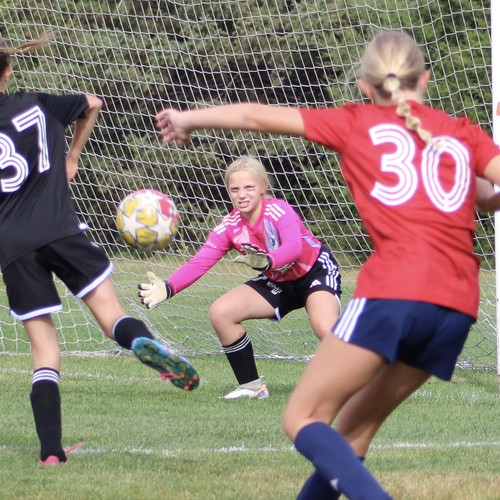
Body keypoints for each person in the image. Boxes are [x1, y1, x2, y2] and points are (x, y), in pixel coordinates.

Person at [153, 30, 500, 498]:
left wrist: (187, 117)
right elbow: (489, 197)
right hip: (457, 305)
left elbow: (256, 115)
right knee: (352, 434)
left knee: (301, 418)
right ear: (425, 79)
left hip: (397, 291)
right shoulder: (462, 133)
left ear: (364, 86)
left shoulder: (356, 121)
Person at [0, 35, 198, 467]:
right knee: (111, 316)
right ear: (8, 72)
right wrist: (72, 156)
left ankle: (51, 453)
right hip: (60, 229)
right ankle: (144, 343)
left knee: (45, 354)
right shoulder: (37, 103)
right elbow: (93, 103)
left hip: (12, 245)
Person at [138, 155, 341, 400]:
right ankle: (252, 387)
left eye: (249, 188)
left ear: (263, 187)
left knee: (324, 327)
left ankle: (362, 377)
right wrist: (169, 287)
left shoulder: (279, 210)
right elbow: (200, 262)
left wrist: (268, 261)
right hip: (278, 281)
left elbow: (293, 248)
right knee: (221, 312)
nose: (241, 195)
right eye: (235, 189)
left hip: (315, 272)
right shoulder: (230, 226)